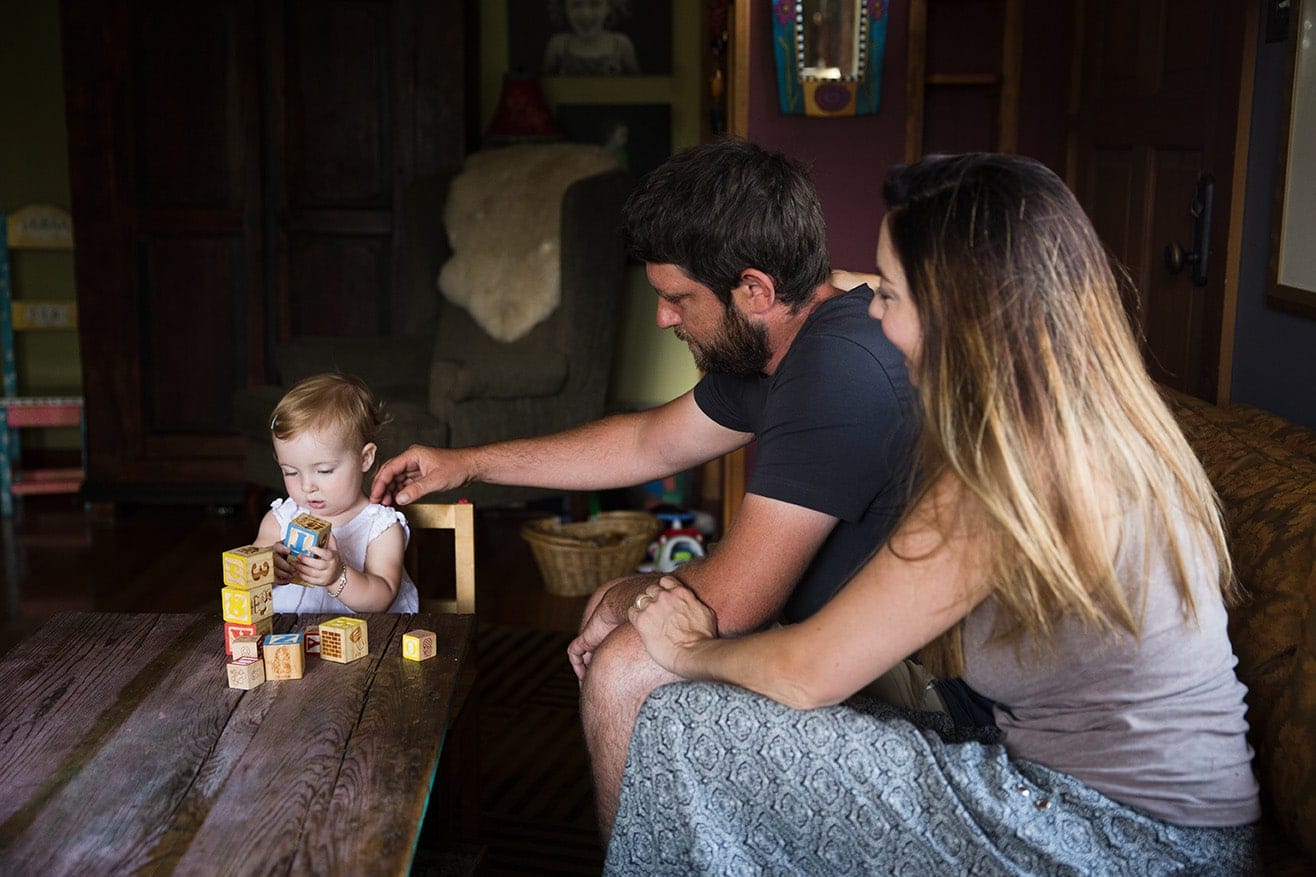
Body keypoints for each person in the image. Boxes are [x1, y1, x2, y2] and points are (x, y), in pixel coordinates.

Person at [610, 153, 1262, 874]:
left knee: (680, 720)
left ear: (960, 309)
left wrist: (689, 649)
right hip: (1134, 816)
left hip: (1118, 838)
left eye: (889, 294)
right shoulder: (1081, 410)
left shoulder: (1008, 473)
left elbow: (808, 672)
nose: (874, 316)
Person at [371, 138, 921, 835]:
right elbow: (646, 441)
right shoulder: (789, 331)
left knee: (628, 660)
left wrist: (625, 601)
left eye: (677, 298)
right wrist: (466, 462)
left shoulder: (834, 371)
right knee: (618, 608)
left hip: (910, 689)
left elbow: (730, 607)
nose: (663, 318)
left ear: (753, 289)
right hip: (842, 643)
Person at [257, 373, 419, 614]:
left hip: (369, 639)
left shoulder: (380, 527)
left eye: (324, 470)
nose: (306, 486)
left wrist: (337, 576)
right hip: (290, 638)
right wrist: (269, 566)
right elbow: (253, 571)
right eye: (290, 472)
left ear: (365, 458)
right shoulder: (281, 518)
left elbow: (382, 596)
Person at [542, 0, 640, 75]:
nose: (586, 14)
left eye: (595, 4)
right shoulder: (558, 45)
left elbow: (639, 87)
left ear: (609, 7)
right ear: (564, 8)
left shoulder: (621, 45)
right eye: (576, 5)